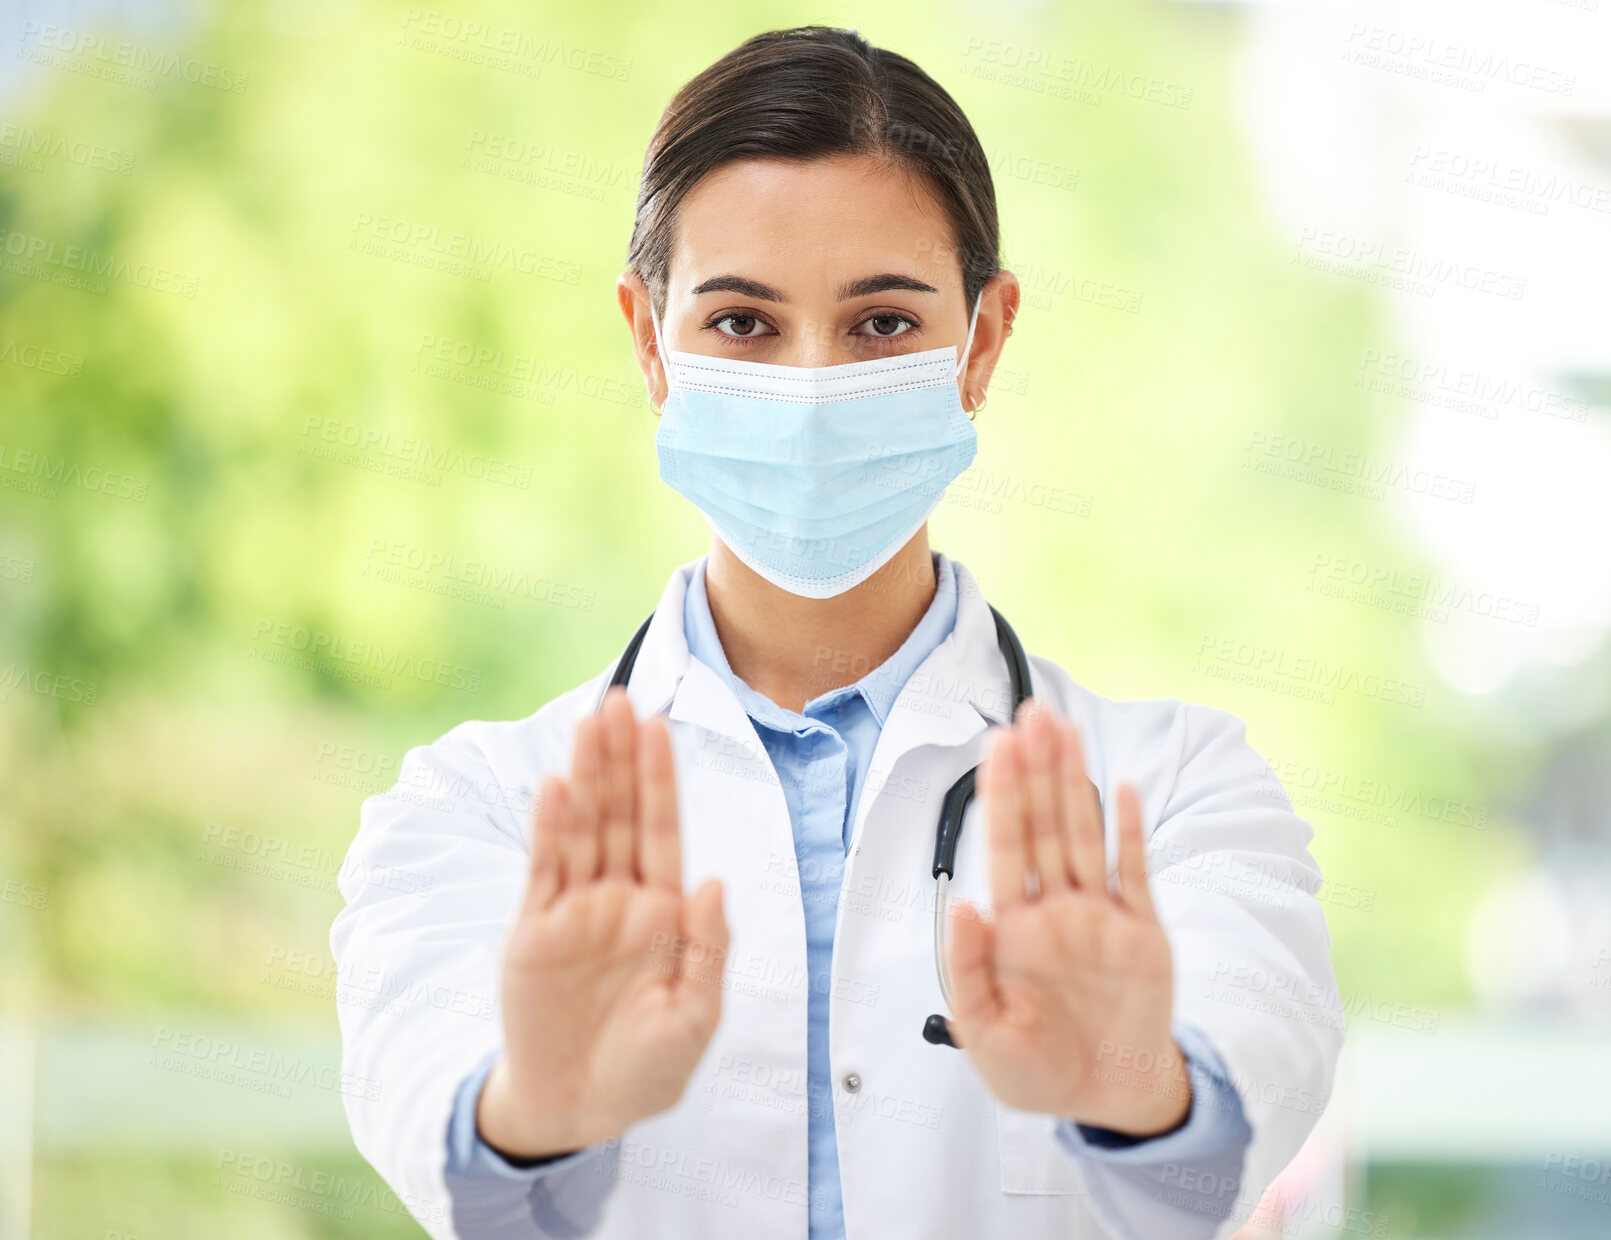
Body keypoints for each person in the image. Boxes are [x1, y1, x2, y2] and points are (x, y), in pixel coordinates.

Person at [330, 25, 1341, 1240]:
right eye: (744, 324)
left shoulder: (1174, 794)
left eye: (881, 326)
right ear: (650, 342)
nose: (811, 381)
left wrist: (1132, 1088)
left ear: (985, 340)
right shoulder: (473, 811)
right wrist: (538, 1105)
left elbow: (1222, 1161)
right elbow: (446, 1150)